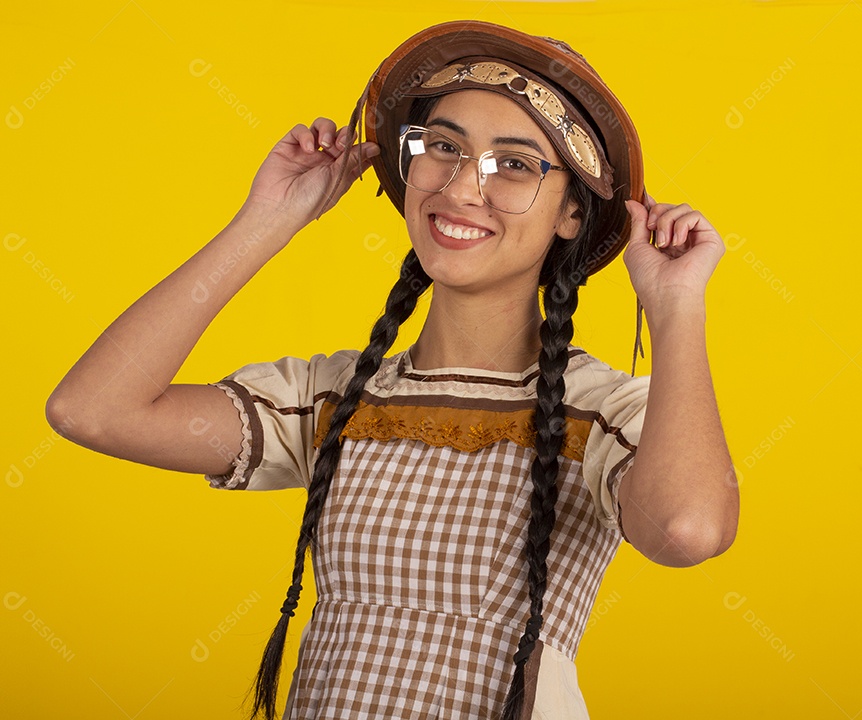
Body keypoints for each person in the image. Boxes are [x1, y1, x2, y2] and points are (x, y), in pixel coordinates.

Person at [46, 19, 738, 720]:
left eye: (516, 163)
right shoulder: (334, 398)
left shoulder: (601, 413)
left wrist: (676, 308)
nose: (464, 187)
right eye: (444, 147)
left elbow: (686, 530)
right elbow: (92, 410)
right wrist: (270, 219)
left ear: (570, 212)